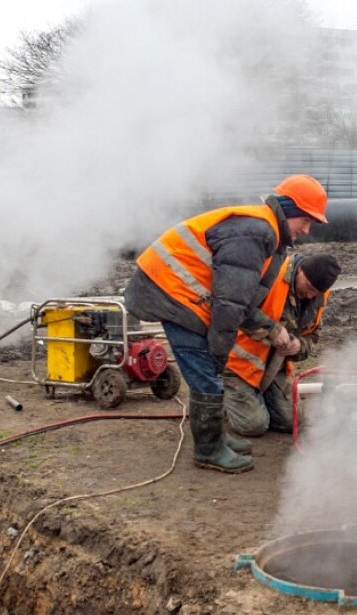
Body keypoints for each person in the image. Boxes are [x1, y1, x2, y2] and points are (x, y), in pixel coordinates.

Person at [123, 175, 329, 474]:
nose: (307, 230)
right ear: (290, 209)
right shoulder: (256, 233)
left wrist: (269, 330)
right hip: (171, 292)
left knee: (208, 370)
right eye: (307, 220)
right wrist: (219, 354)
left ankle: (216, 438)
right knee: (207, 374)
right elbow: (230, 303)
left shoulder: (263, 229)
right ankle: (208, 450)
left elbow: (240, 302)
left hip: (175, 290)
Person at [223, 253, 339, 439]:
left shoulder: (318, 294)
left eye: (315, 292)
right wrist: (272, 331)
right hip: (238, 365)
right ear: (300, 270)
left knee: (290, 422)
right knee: (254, 425)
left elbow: (313, 335)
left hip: (273, 367)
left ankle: (257, 399)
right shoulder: (270, 274)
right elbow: (235, 311)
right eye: (308, 287)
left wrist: (298, 346)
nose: (310, 295)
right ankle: (224, 397)